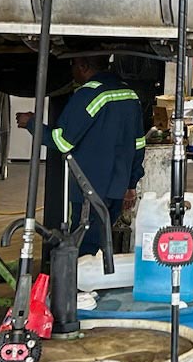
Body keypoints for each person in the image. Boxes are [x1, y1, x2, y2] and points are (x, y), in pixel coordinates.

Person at [44, 55, 145, 256]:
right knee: (102, 243)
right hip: (117, 188)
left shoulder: (89, 94)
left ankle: (78, 286)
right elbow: (138, 144)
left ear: (83, 65)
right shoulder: (129, 94)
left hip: (90, 190)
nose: (71, 70)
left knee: (85, 248)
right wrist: (131, 185)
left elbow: (62, 141)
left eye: (72, 64)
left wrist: (32, 125)